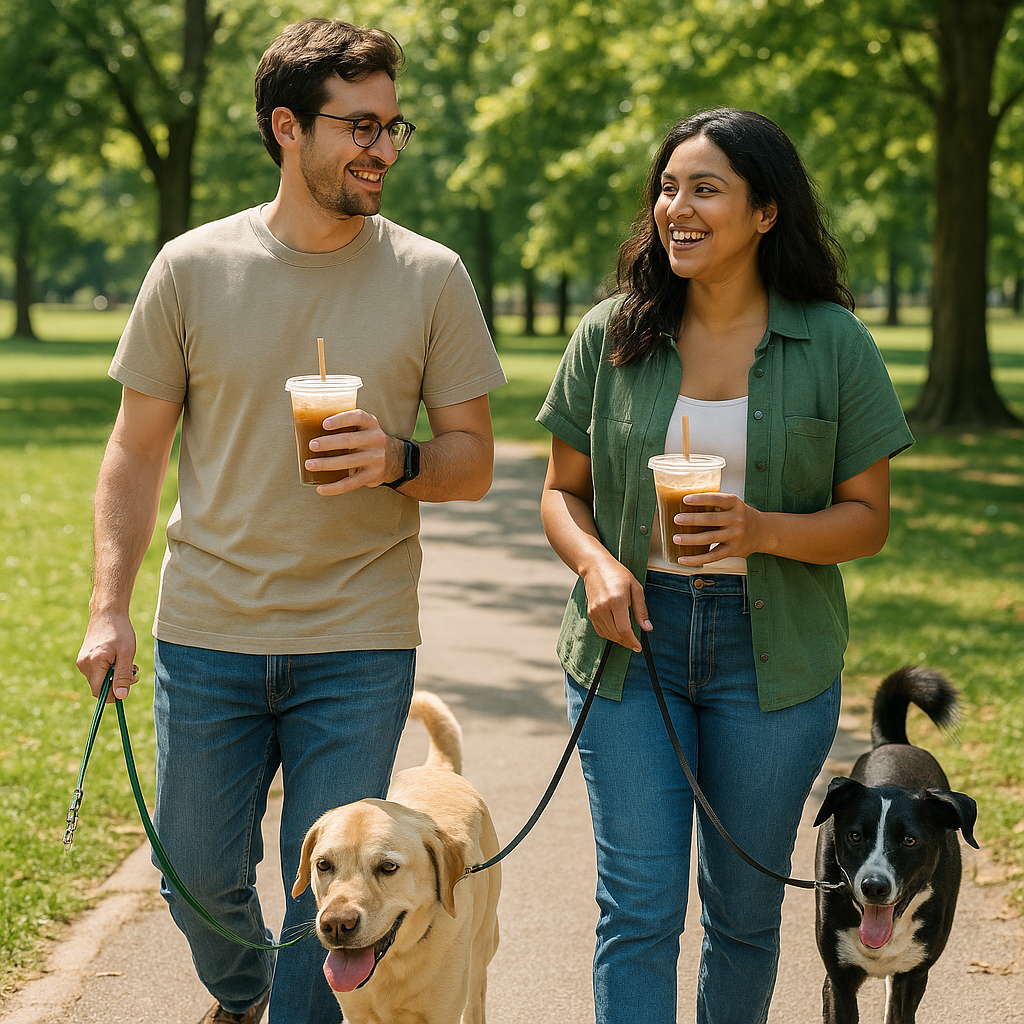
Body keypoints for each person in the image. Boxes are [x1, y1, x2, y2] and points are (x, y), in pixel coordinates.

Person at [75, 18, 505, 1024]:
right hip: (208, 626)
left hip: (356, 639)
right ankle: (243, 993)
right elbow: (134, 451)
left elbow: (474, 460)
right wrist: (107, 607)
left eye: (395, 128)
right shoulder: (190, 267)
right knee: (191, 870)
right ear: (286, 127)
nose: (382, 150)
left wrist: (398, 460)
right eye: (360, 126)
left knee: (332, 892)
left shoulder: (431, 276)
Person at [537, 108, 914, 1024]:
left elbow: (867, 521)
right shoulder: (613, 334)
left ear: (765, 212)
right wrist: (596, 568)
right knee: (639, 908)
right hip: (634, 648)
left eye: (706, 188)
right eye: (668, 188)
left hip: (772, 660)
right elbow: (560, 494)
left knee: (744, 916)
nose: (678, 207)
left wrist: (761, 531)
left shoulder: (834, 344)